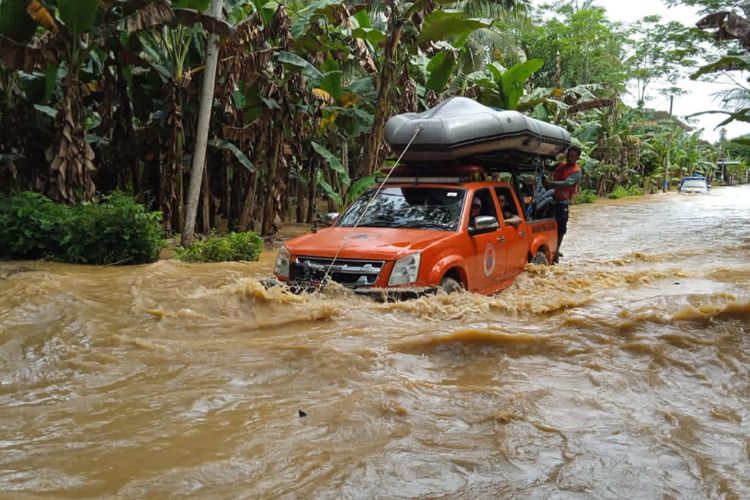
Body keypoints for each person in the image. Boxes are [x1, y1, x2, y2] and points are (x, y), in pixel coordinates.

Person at [544, 145, 583, 262]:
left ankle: (556, 251)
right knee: (546, 225)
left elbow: (567, 183)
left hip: (562, 203)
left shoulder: (577, 172)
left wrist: (549, 183)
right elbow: (548, 168)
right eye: (568, 156)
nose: (569, 158)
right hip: (550, 199)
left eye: (572, 157)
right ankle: (550, 249)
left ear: (577, 158)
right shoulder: (560, 165)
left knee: (561, 229)